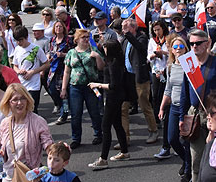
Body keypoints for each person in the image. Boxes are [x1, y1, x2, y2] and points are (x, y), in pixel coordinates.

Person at [180, 29, 216, 182]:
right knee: (196, 158)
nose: (194, 46)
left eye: (198, 43)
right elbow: (185, 92)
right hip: (195, 114)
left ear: (207, 43)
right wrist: (182, 116)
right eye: (191, 44)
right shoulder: (189, 63)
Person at [0, 83, 53, 182]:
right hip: (8, 177)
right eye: (15, 100)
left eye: (22, 98)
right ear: (8, 102)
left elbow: (48, 144)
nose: (19, 103)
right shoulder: (4, 123)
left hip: (29, 178)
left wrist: (57, 150)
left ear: (27, 100)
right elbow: (3, 144)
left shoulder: (38, 122)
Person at [87, 39, 130, 169]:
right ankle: (124, 151)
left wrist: (98, 85)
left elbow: (113, 85)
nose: (103, 49)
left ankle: (103, 158)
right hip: (116, 97)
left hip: (113, 98)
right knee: (117, 124)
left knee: (105, 127)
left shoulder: (113, 64)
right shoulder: (115, 61)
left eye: (105, 47)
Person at [60, 29, 104, 149]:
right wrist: (64, 88)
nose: (86, 39)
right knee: (76, 113)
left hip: (91, 86)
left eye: (87, 37)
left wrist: (97, 57)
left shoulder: (92, 50)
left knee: (94, 111)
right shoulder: (71, 53)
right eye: (83, 37)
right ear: (76, 40)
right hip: (75, 87)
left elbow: (101, 68)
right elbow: (67, 71)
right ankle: (76, 138)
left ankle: (98, 133)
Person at [157, 36, 191, 181]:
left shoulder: (190, 65)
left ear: (185, 48)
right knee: (172, 139)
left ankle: (189, 171)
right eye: (175, 47)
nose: (178, 50)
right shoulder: (170, 67)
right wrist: (162, 107)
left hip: (187, 108)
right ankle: (186, 160)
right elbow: (168, 89)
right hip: (174, 107)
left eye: (181, 47)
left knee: (186, 140)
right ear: (171, 50)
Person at [120, 19, 158, 145]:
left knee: (144, 105)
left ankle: (153, 131)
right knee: (123, 107)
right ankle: (124, 137)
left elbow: (140, 48)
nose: (123, 28)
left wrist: (128, 34)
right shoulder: (125, 39)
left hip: (139, 77)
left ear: (133, 28)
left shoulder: (142, 38)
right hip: (127, 77)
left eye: (126, 26)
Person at [12, 25, 49, 113]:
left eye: (21, 40)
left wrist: (33, 72)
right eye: (17, 41)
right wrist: (19, 71)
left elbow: (46, 64)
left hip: (34, 84)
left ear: (26, 37)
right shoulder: (17, 49)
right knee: (22, 109)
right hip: (21, 84)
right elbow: (15, 65)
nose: (19, 43)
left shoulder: (36, 48)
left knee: (32, 108)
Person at [148, 21, 170, 149]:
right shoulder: (152, 41)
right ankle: (157, 118)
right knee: (155, 95)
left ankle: (165, 115)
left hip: (166, 70)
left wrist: (164, 53)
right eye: (155, 30)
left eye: (158, 29)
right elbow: (148, 55)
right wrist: (153, 55)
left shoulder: (168, 39)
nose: (157, 32)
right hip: (155, 71)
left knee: (165, 95)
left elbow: (172, 54)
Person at [48, 20, 73, 125]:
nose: (58, 28)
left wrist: (63, 55)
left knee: (64, 94)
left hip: (64, 69)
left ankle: (64, 114)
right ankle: (60, 107)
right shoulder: (52, 40)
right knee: (52, 89)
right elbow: (49, 51)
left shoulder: (68, 40)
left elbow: (73, 52)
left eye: (60, 26)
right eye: (56, 26)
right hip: (53, 69)